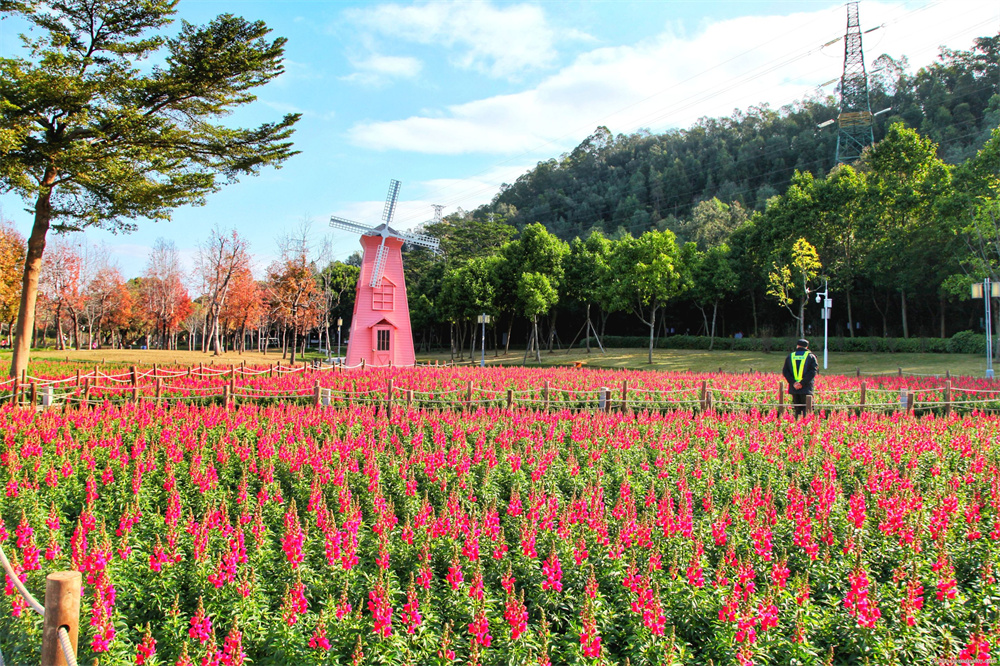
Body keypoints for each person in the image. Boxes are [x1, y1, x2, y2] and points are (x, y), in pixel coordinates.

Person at [781, 338, 818, 418]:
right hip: (806, 388)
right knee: (808, 410)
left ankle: (797, 424)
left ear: (797, 346)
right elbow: (812, 372)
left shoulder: (791, 356)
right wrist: (802, 383)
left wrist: (794, 383)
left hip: (794, 388)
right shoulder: (811, 356)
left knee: (797, 410)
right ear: (807, 347)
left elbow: (785, 371)